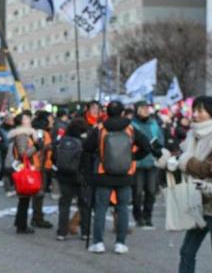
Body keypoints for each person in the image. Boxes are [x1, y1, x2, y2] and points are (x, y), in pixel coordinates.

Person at [158, 96, 212, 273]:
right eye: (194, 110)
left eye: (201, 110)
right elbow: (182, 158)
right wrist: (170, 159)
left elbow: (211, 170)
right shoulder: (191, 135)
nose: (196, 114)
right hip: (195, 201)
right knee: (187, 252)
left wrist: (185, 161)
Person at [84, 100, 156, 254]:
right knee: (122, 208)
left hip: (103, 173)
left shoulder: (101, 128)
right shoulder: (130, 128)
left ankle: (98, 242)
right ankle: (120, 243)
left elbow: (87, 148)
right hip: (125, 173)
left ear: (107, 112)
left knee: (101, 209)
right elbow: (147, 146)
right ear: (123, 112)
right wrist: (133, 157)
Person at [9, 112, 48, 234]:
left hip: (28, 168)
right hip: (25, 170)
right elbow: (23, 154)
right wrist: (36, 146)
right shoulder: (21, 135)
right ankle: (22, 226)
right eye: (26, 118)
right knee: (24, 198)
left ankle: (20, 223)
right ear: (21, 122)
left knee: (24, 199)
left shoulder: (27, 134)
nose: (29, 119)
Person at [54, 118, 90, 241]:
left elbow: (54, 157)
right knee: (84, 204)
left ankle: (61, 232)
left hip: (63, 175)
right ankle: (85, 232)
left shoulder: (62, 140)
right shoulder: (84, 141)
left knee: (64, 204)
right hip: (79, 176)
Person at [131, 100, 164, 228]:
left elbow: (160, 138)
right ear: (136, 109)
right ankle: (138, 216)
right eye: (142, 108)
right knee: (137, 192)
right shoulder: (132, 125)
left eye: (147, 108)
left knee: (151, 191)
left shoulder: (154, 123)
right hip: (137, 162)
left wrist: (159, 148)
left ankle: (147, 216)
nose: (146, 110)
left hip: (152, 162)